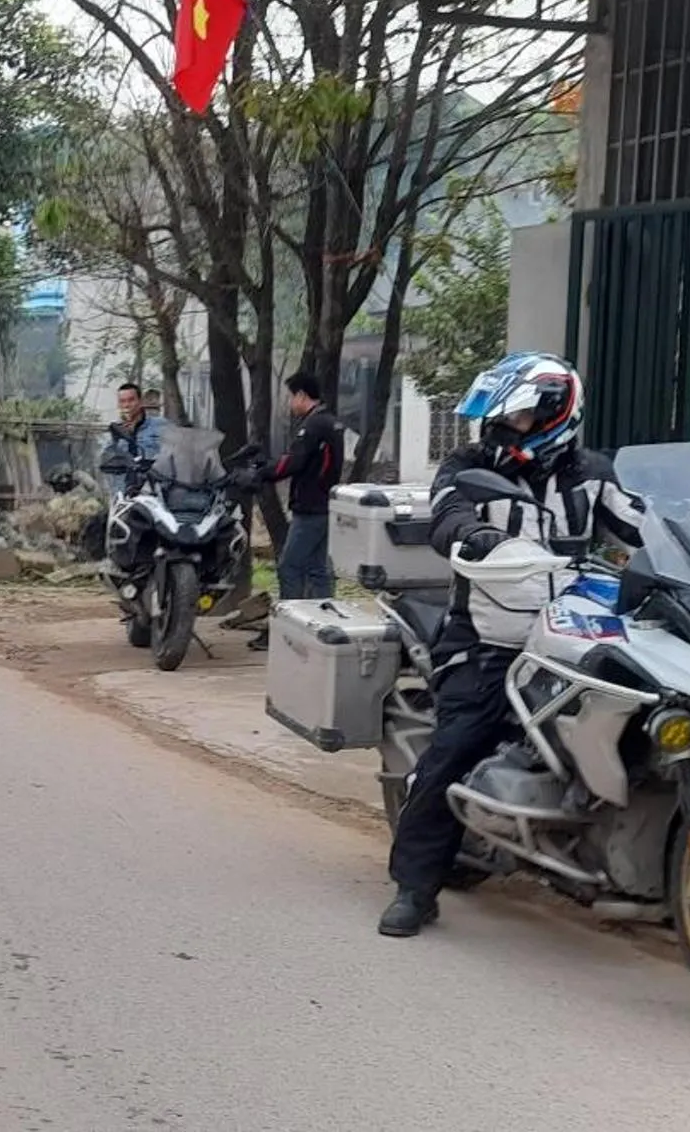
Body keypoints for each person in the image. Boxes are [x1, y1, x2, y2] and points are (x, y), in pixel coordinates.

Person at [380, 352, 643, 938]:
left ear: (555, 414)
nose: (500, 429)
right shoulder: (467, 466)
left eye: (516, 418)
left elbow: (646, 526)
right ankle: (416, 886)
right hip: (486, 634)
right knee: (455, 746)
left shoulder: (593, 474)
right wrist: (478, 536)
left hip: (573, 631)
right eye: (499, 418)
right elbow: (446, 516)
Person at [248, 372, 348, 650]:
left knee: (289, 566)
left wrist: (263, 472)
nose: (291, 402)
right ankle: (326, 625)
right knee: (317, 570)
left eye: (293, 396)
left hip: (311, 508)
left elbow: (294, 462)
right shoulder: (332, 422)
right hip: (325, 505)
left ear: (303, 395)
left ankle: (287, 629)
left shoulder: (314, 425)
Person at [109, 382, 163, 493]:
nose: (127, 405)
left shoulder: (160, 426)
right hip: (122, 491)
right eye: (122, 401)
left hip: (151, 490)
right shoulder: (115, 430)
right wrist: (115, 439)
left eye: (131, 400)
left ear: (140, 402)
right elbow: (104, 461)